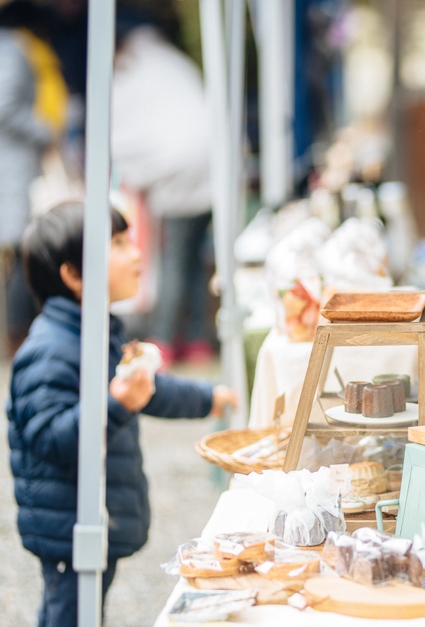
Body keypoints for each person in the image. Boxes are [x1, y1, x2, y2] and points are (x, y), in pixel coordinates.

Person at [6, 203, 237, 627]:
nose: (135, 253)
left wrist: (209, 398)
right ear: (74, 276)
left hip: (94, 516)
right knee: (69, 614)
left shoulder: (97, 331)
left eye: (129, 240)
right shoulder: (49, 351)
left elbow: (149, 389)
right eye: (117, 244)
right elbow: (51, 438)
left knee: (85, 610)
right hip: (69, 527)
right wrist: (115, 406)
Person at [111, 18, 214, 366]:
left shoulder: (131, 76)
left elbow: (118, 136)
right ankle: (199, 339)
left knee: (174, 259)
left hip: (177, 173)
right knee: (193, 259)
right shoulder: (170, 61)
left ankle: (164, 340)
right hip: (210, 165)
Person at [0, 0, 55, 350]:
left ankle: (18, 332)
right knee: (23, 249)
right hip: (13, 166)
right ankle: (19, 334)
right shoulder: (13, 49)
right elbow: (5, 106)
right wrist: (45, 132)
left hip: (12, 167)